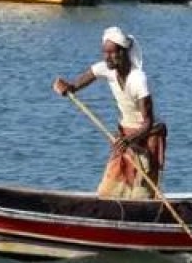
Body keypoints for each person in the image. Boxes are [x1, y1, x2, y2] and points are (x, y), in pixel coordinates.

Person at [53, 26, 167, 199]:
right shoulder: (106, 68)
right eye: (104, 52)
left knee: (141, 194)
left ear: (122, 53)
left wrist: (128, 141)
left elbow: (148, 123)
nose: (106, 57)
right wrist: (68, 87)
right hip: (125, 134)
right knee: (108, 190)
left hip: (147, 135)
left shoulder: (138, 80)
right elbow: (83, 79)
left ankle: (143, 214)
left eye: (111, 52)